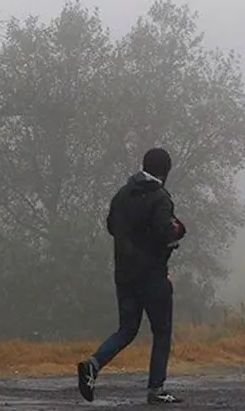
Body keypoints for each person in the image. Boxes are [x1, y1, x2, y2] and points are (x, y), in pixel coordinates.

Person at [78, 147, 186, 405]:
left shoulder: (122, 194)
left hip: (124, 274)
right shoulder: (160, 197)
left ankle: (93, 364)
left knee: (126, 329)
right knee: (161, 331)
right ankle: (156, 389)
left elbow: (111, 226)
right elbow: (164, 233)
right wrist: (178, 231)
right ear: (165, 170)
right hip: (152, 276)